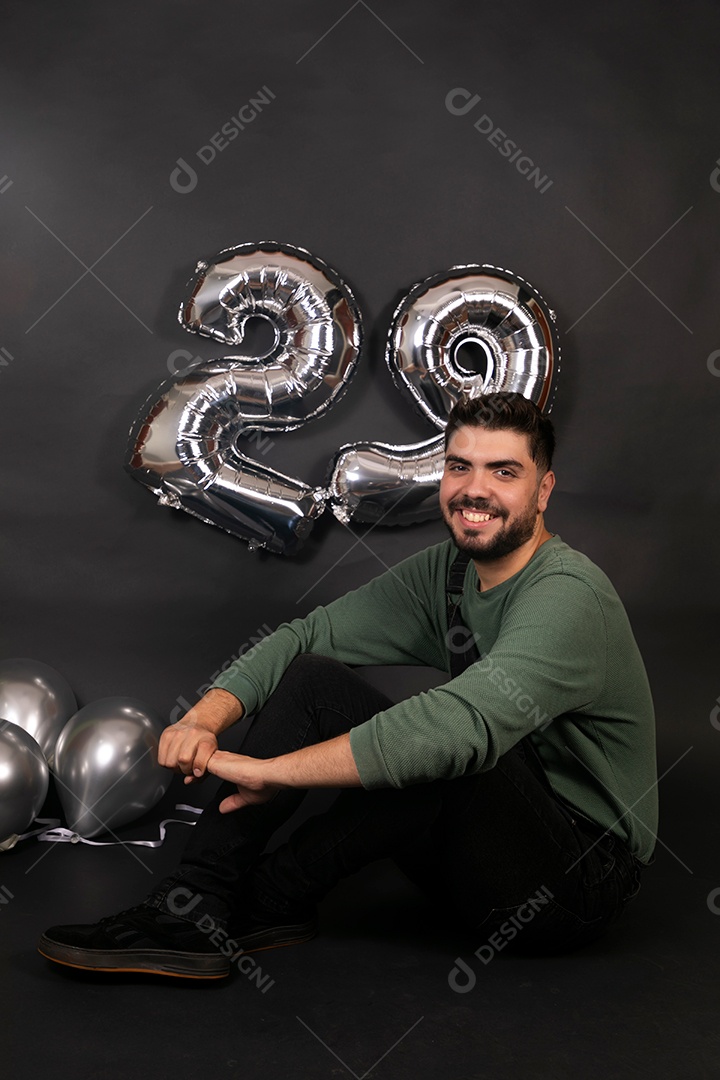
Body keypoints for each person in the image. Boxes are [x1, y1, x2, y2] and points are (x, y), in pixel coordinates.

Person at [38, 393, 657, 979]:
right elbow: (306, 638)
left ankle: (268, 894)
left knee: (445, 745)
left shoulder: (569, 598)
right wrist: (204, 718)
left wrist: (275, 771)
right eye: (459, 466)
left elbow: (458, 729)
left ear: (543, 489)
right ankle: (196, 905)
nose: (475, 490)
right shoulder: (448, 574)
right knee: (313, 678)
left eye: (503, 472)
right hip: (469, 856)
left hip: (569, 882)